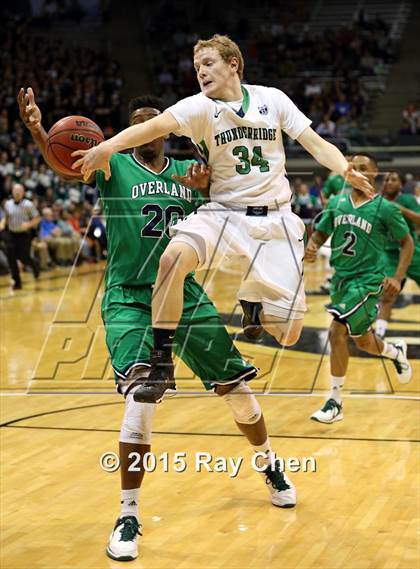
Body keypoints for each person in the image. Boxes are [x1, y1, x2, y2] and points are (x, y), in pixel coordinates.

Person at [19, 87, 298, 562]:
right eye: (141, 119)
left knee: (237, 390)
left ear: (167, 131)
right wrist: (39, 131)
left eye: (157, 119)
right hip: (128, 297)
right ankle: (128, 514)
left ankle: (270, 464)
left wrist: (207, 188)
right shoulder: (112, 163)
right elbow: (65, 161)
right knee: (141, 397)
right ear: (131, 133)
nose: (150, 124)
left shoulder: (188, 175)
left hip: (183, 294)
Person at [72, 34, 375, 404]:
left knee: (290, 334)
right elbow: (150, 128)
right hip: (223, 212)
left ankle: (253, 301)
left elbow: (314, 143)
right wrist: (106, 145)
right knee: (171, 259)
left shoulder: (272, 99)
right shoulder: (197, 107)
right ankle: (162, 364)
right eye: (197, 67)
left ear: (233, 64)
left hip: (275, 220)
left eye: (209, 63)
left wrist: (345, 168)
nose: (201, 72)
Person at [305, 154, 413, 424]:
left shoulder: (385, 208)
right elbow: (321, 231)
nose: (358, 172)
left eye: (364, 168)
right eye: (353, 167)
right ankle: (394, 352)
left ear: (375, 174)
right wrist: (313, 245)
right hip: (342, 279)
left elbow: (407, 242)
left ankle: (335, 401)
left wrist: (398, 278)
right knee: (363, 341)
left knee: (335, 331)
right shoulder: (337, 202)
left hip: (368, 281)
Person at [376, 171, 420, 339]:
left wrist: (401, 210)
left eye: (394, 179)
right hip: (389, 253)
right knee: (387, 294)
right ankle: (379, 333)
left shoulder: (408, 200)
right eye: (386, 179)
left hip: (412, 250)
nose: (389, 182)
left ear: (400, 184)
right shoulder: (377, 202)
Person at [4, 182, 41, 289]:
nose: (17, 193)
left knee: (24, 258)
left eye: (19, 191)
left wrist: (28, 224)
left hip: (24, 235)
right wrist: (2, 224)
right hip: (11, 234)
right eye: (15, 191)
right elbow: (6, 218)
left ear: (23, 192)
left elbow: (37, 218)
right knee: (11, 258)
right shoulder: (8, 204)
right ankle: (17, 282)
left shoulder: (28, 204)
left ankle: (35, 265)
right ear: (12, 192)